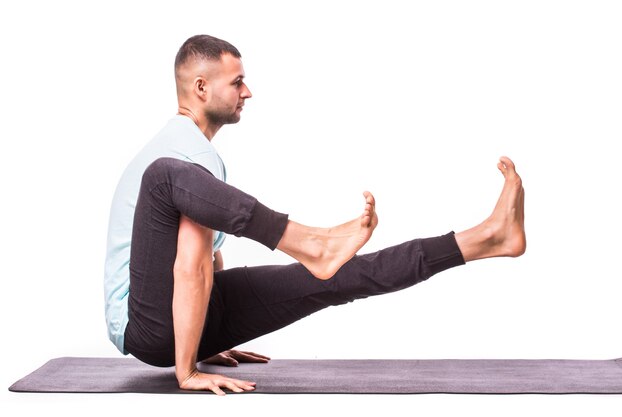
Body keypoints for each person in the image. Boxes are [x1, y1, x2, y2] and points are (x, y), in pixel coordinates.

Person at [104, 34, 526, 396]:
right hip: (148, 329)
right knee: (162, 178)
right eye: (237, 82)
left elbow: (208, 258)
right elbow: (189, 266)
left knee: (338, 275)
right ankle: (312, 241)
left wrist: (204, 339)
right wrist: (188, 368)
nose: (247, 92)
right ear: (200, 87)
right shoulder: (182, 155)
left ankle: (487, 238)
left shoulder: (200, 158)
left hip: (184, 323)